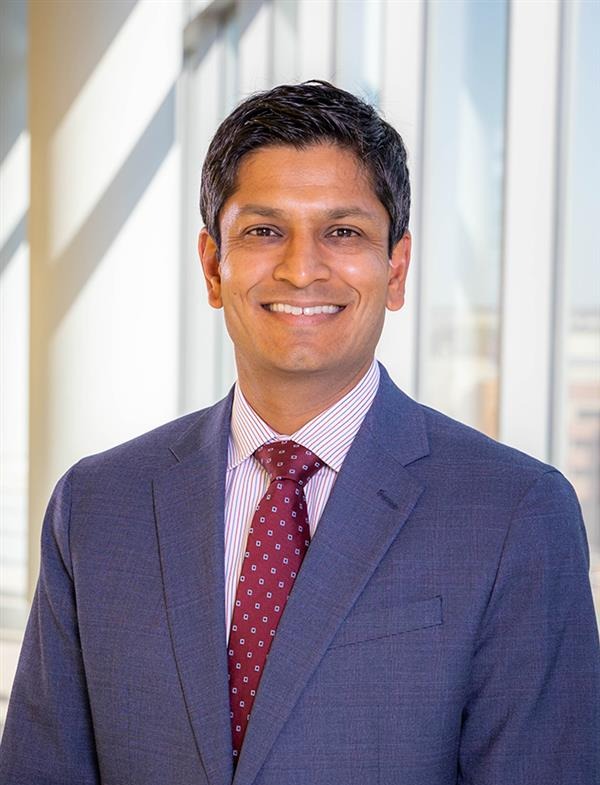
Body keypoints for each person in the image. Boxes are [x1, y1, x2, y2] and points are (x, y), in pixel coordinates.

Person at [0, 80, 598, 785]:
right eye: (263, 230)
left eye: (343, 232)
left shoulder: (514, 514)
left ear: (396, 269)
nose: (301, 267)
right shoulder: (98, 505)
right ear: (213, 266)